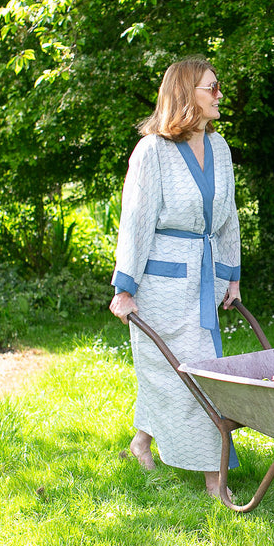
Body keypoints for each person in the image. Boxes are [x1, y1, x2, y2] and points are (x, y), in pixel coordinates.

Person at [109, 56, 242, 498]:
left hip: (203, 277)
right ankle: (214, 479)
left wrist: (231, 276)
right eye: (212, 87)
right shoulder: (152, 151)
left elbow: (227, 219)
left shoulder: (219, 149)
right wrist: (125, 288)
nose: (219, 94)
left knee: (183, 370)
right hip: (161, 284)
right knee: (182, 374)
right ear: (187, 94)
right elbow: (136, 220)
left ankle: (142, 441)